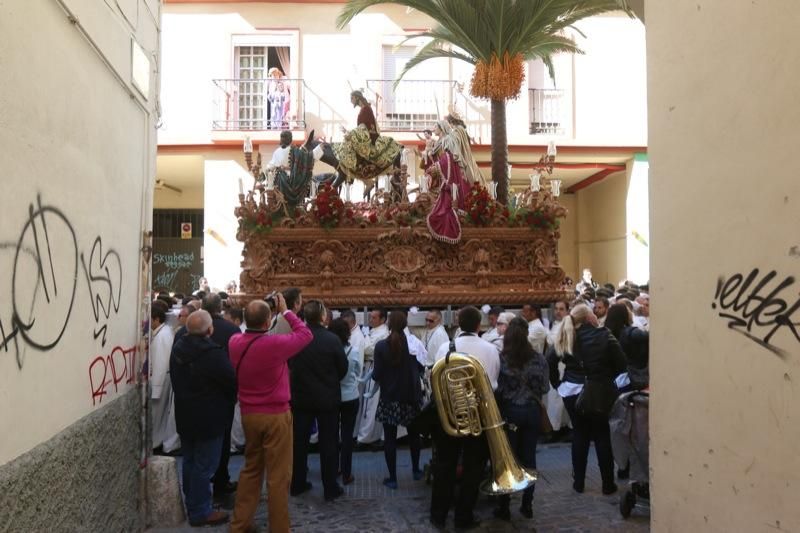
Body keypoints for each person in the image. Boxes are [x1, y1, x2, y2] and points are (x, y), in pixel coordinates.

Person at [228, 297, 312, 533]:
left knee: (251, 469)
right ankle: (279, 528)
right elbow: (305, 334)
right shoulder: (274, 345)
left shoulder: (234, 342)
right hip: (276, 415)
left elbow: (250, 332)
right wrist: (285, 311)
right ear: (268, 321)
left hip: (249, 414)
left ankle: (240, 524)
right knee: (278, 476)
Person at [430, 306, 500, 529]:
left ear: (459, 324)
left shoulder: (444, 347)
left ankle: (438, 515)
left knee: (444, 465)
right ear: (480, 326)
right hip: (478, 414)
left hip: (449, 414)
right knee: (473, 468)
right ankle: (463, 516)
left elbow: (434, 378)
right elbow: (493, 385)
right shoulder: (490, 349)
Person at [546, 303, 626, 495]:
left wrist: (558, 384)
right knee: (601, 435)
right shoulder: (604, 335)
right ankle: (608, 484)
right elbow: (621, 363)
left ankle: (579, 483)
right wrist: (610, 382)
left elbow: (549, 360)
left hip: (571, 391)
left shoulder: (566, 336)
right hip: (599, 390)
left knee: (579, 435)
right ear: (590, 318)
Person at [170, 310, 236, 527]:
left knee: (190, 460)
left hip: (185, 413)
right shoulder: (213, 354)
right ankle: (200, 511)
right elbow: (230, 381)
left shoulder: (178, 347)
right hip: (209, 415)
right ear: (210, 330)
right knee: (205, 465)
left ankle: (194, 502)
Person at [289, 300, 348, 502]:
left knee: (299, 443)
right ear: (322, 317)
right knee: (329, 443)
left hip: (301, 398)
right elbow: (342, 367)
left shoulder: (296, 338)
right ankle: (330, 487)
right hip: (326, 398)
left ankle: (297, 483)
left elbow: (289, 365)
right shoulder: (331, 339)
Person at [493, 317, 550, 521]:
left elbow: (496, 388)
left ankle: (504, 506)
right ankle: (527, 504)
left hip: (511, 413)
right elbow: (544, 388)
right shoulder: (539, 359)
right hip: (532, 412)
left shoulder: (502, 359)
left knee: (507, 459)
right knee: (529, 457)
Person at [373, 311, 423, 489]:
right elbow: (421, 368)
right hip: (410, 396)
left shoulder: (381, 346)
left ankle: (393, 478)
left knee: (390, 438)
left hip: (390, 397)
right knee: (414, 435)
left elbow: (376, 374)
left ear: (388, 324)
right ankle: (416, 470)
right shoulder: (413, 344)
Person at [202, 293, 242, 501]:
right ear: (220, 308)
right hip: (224, 393)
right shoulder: (232, 330)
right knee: (224, 439)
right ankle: (220, 479)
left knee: (197, 444)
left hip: (197, 393)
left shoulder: (186, 331)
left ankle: (200, 487)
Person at [334, 90, 401, 186]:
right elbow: (361, 128)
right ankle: (363, 179)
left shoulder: (366, 109)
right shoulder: (364, 109)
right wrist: (350, 133)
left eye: (352, 98)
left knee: (348, 144)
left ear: (357, 98)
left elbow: (366, 128)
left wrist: (350, 134)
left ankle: (364, 179)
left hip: (369, 138)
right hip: (364, 137)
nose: (351, 101)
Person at [328, 317, 362, 486]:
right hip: (350, 396)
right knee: (347, 436)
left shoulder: (327, 352)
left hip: (332, 396)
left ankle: (334, 469)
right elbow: (358, 370)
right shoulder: (353, 351)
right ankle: (347, 473)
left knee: (332, 435)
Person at [425, 119, 471, 244]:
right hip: (441, 175)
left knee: (445, 206)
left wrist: (437, 166)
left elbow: (449, 158)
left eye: (435, 126)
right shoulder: (439, 142)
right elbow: (436, 157)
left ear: (442, 128)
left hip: (450, 176)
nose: (433, 128)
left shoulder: (448, 139)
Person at [357, 308, 389, 444]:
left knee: (371, 405)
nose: (370, 320)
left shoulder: (384, 333)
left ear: (382, 319)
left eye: (374, 318)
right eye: (370, 317)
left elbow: (368, 349)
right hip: (368, 366)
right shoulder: (373, 331)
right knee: (366, 404)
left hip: (376, 367)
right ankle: (366, 435)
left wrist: (364, 342)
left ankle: (367, 438)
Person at [150, 304, 180, 453]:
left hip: (161, 380)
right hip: (163, 379)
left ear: (156, 319)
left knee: (157, 416)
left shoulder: (162, 336)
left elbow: (160, 363)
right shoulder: (164, 332)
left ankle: (156, 443)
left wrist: (155, 389)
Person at [266, 131, 319, 208]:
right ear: (290, 140)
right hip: (294, 180)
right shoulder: (295, 151)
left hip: (279, 180)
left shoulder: (277, 152)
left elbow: (270, 166)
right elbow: (308, 157)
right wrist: (319, 149)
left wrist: (267, 170)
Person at [605, 303, 650, 392]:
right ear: (624, 315)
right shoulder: (632, 333)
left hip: (615, 378)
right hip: (634, 377)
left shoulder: (606, 333)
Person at [445, 112, 486, 186]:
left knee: (469, 174)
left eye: (447, 122)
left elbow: (455, 141)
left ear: (451, 121)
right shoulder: (460, 129)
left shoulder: (458, 130)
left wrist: (447, 136)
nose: (447, 125)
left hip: (464, 155)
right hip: (466, 154)